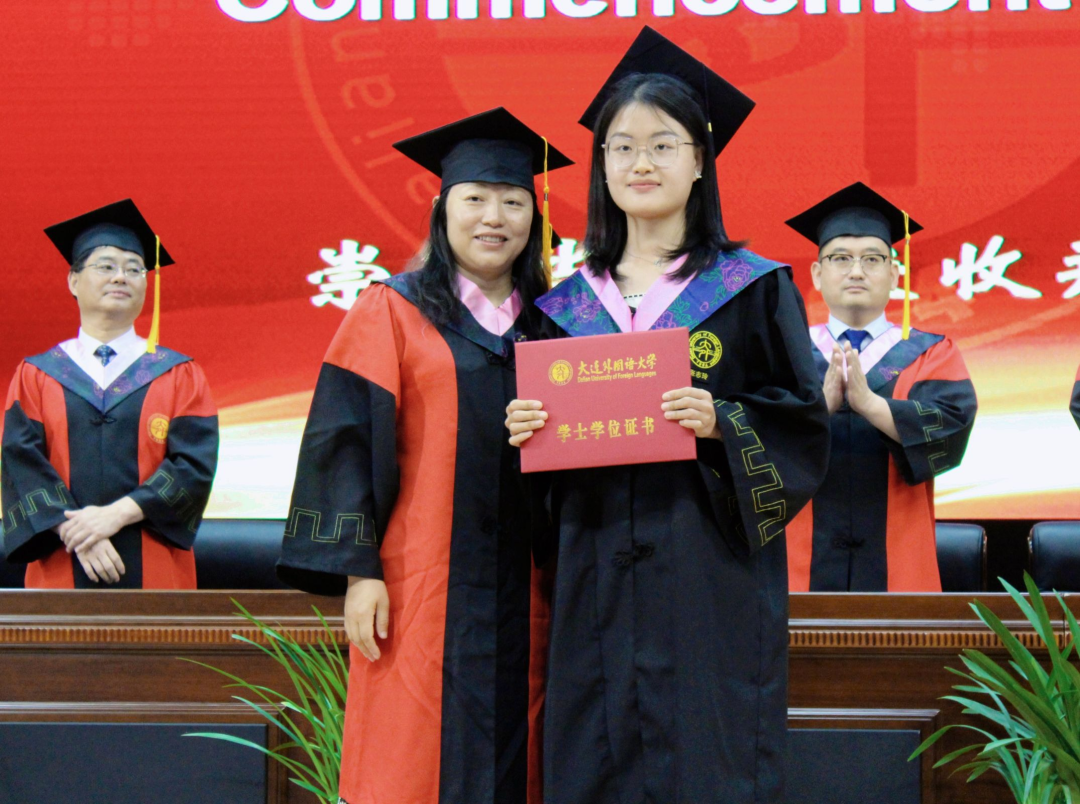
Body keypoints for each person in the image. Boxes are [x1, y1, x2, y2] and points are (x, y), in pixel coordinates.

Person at [505, 27, 830, 804]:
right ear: (601, 165)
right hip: (594, 576)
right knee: (595, 754)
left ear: (699, 160)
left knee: (707, 758)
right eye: (620, 147)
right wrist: (523, 433)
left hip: (707, 577)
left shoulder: (752, 288)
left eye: (661, 145)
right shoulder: (561, 306)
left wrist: (723, 422)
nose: (640, 163)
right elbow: (530, 483)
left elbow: (804, 425)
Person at [277, 108, 572, 804]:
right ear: (443, 210)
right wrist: (359, 573)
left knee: (527, 754)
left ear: (535, 217)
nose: (493, 217)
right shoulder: (390, 309)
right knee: (411, 756)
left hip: (534, 590)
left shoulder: (562, 321)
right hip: (420, 589)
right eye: (475, 199)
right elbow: (343, 443)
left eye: (513, 201)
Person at [1, 199, 218, 588]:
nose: (121, 277)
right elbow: (20, 463)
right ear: (73, 281)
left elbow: (194, 466)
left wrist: (115, 516)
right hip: (61, 561)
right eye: (106, 266)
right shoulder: (36, 375)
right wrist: (77, 532)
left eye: (134, 269)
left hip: (156, 568)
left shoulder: (180, 374)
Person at [784, 182, 978, 592]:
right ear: (817, 274)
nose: (856, 271)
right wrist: (819, 408)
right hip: (796, 569)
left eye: (872, 259)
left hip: (900, 567)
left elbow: (953, 427)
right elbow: (755, 433)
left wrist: (871, 405)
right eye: (840, 258)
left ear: (893, 274)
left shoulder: (931, 352)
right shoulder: (786, 353)